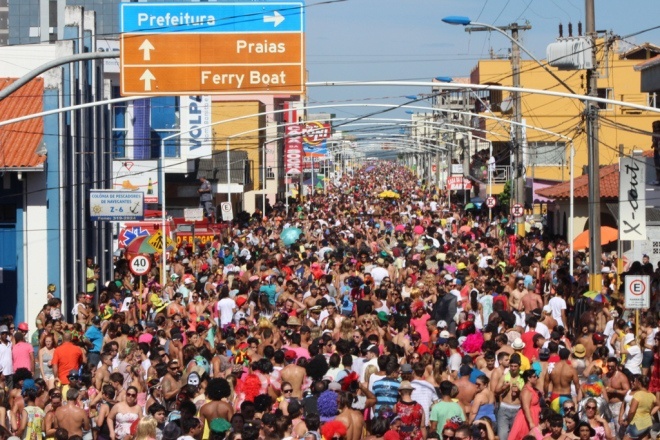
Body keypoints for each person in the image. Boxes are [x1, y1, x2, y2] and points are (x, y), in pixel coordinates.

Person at [622, 375, 658, 440]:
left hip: (637, 424)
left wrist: (628, 421)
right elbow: (658, 405)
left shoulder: (637, 395)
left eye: (636, 381)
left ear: (639, 383)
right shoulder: (652, 396)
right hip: (647, 423)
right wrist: (650, 413)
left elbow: (632, 411)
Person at [509, 369, 542, 440]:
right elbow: (526, 407)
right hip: (527, 418)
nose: (536, 378)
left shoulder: (532, 389)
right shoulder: (526, 391)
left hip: (533, 415)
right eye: (534, 376)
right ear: (529, 378)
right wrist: (531, 422)